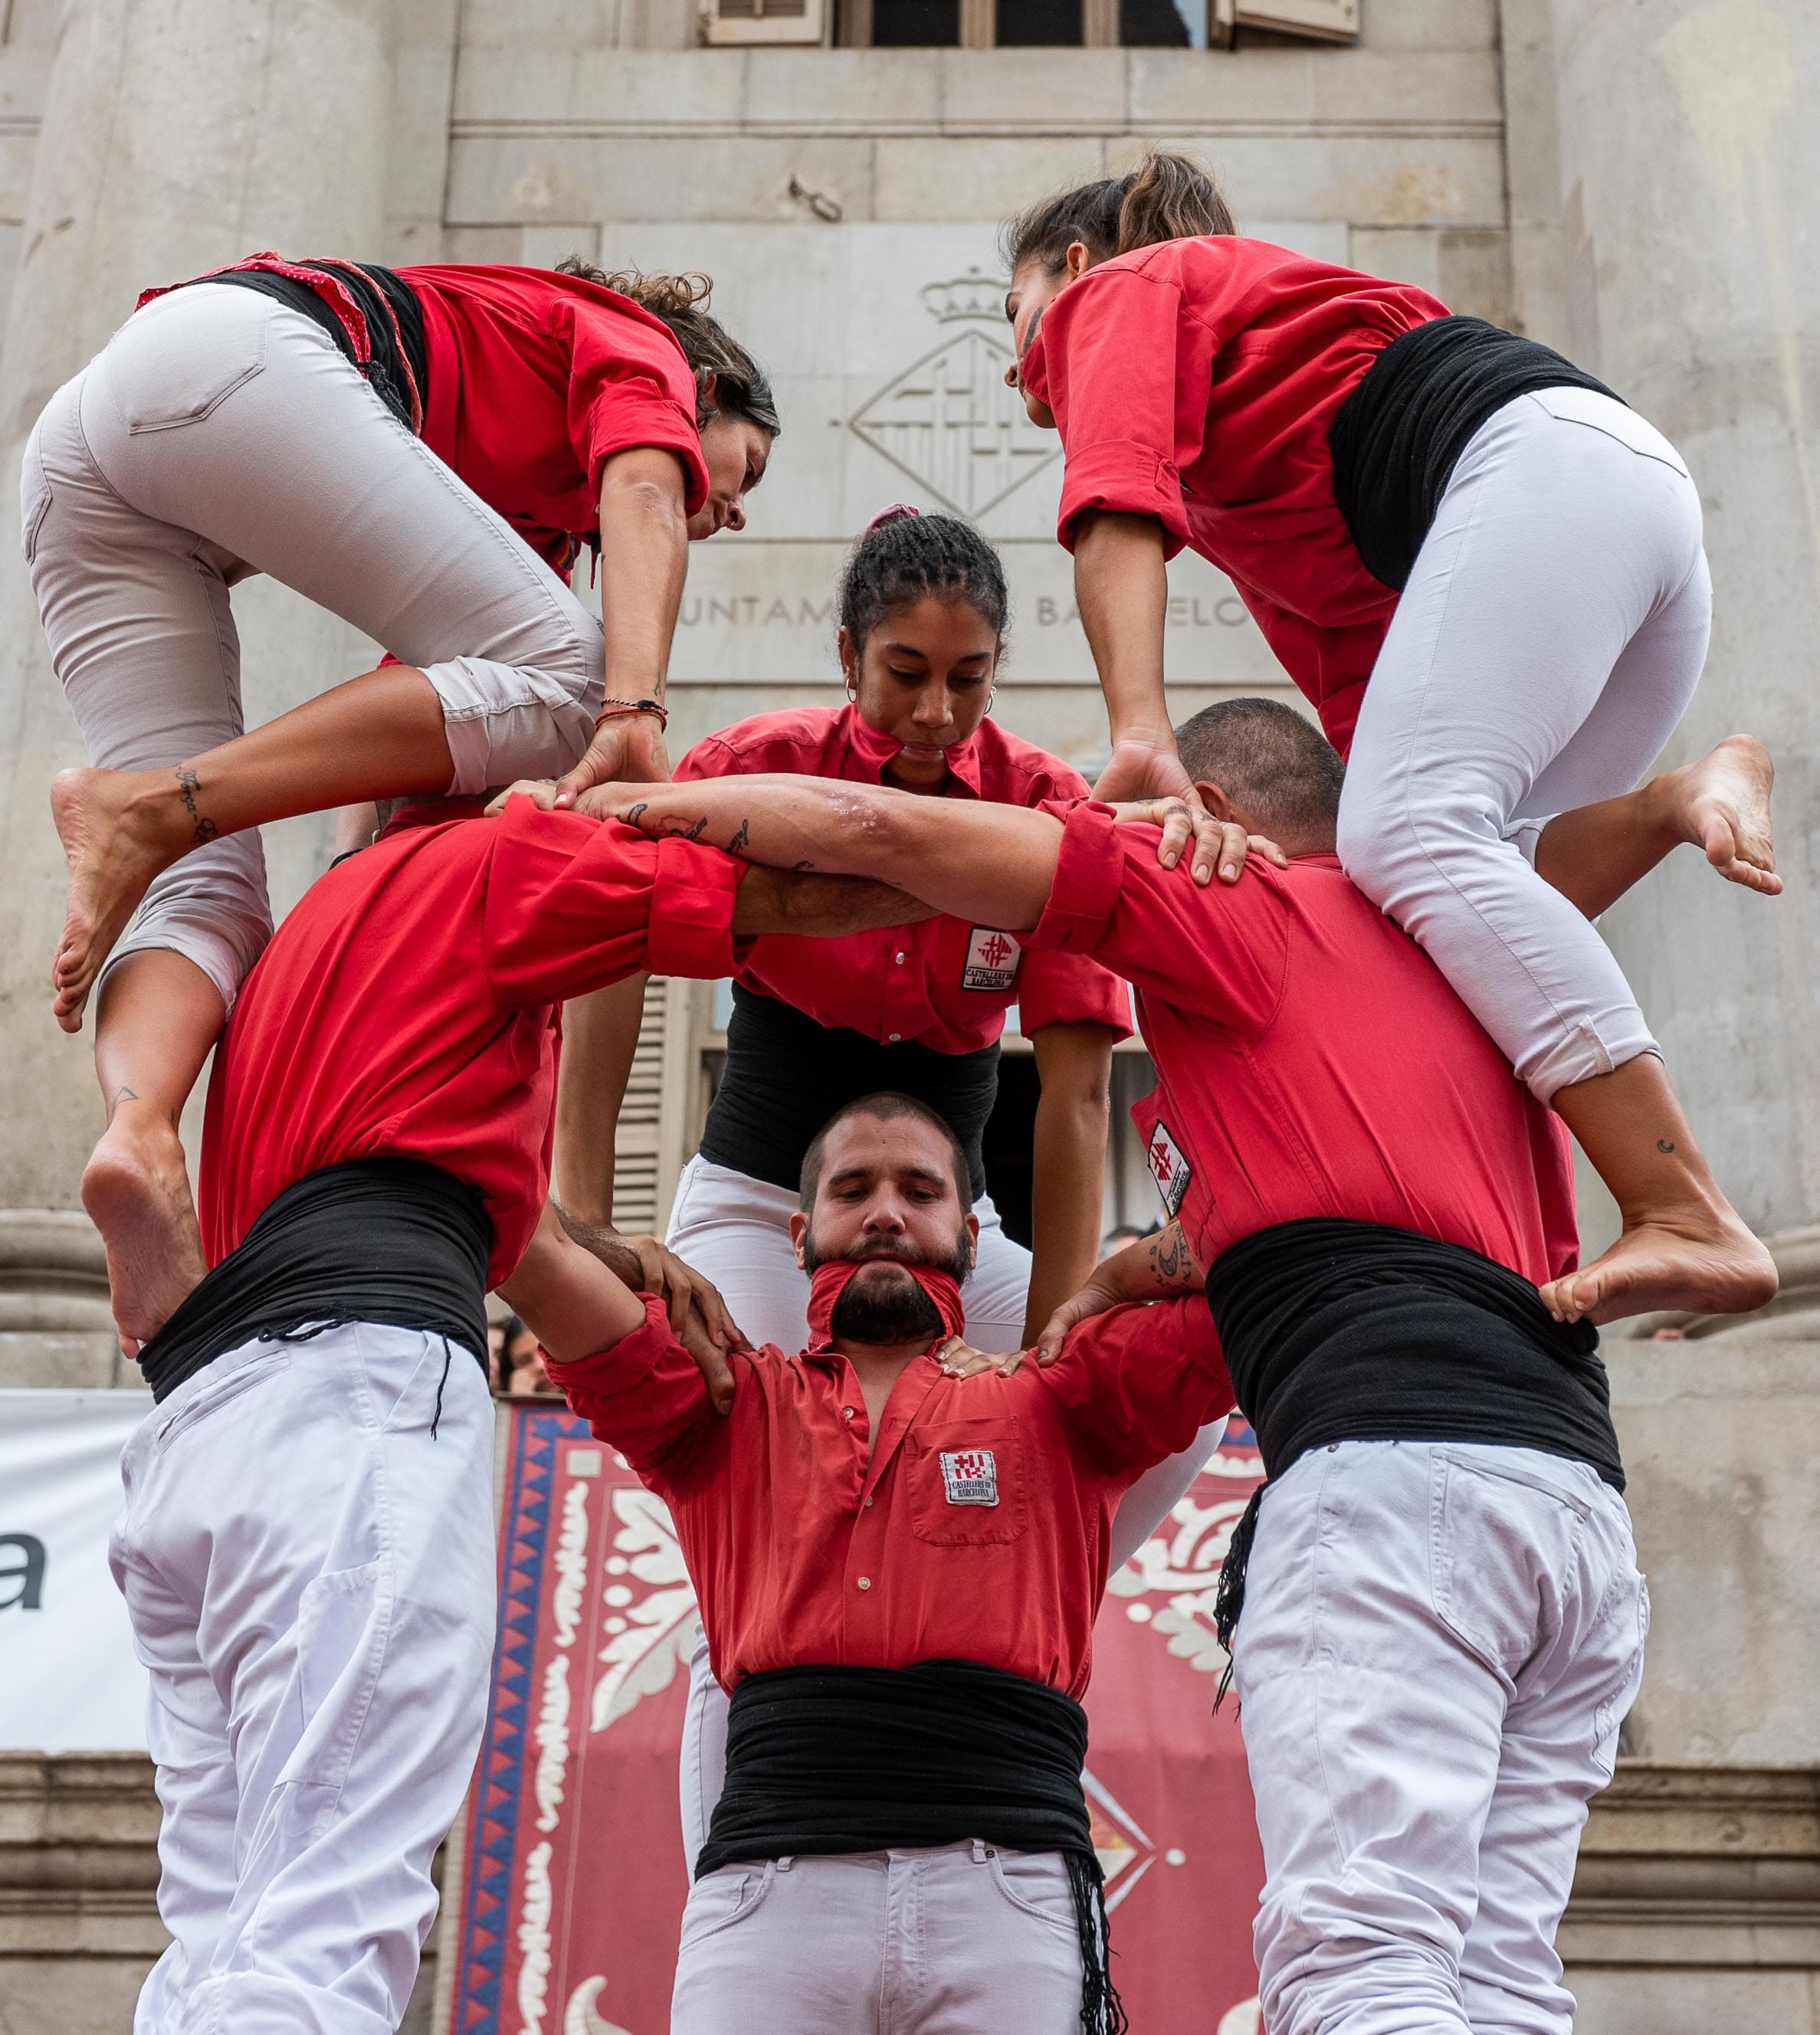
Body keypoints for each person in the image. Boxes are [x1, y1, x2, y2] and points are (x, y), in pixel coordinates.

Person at [565, 702, 1781, 2031]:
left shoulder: (1232, 898)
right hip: (1574, 1512)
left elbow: (879, 825)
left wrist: (605, 821)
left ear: (1213, 815)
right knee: (1494, 1981)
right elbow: (1543, 884)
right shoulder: (1465, 940)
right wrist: (1677, 798)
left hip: (1398, 1472)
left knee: (1363, 1965)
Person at [106, 780, 920, 2035]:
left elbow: (452, 1173)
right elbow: (804, 889)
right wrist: (1025, 879)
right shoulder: (503, 858)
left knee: (222, 1930)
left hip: (207, 1410)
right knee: (320, 1927)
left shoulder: (316, 924)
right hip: (357, 1375)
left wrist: (592, 1237)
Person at [996, 149, 1779, 1322]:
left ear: (1066, 270)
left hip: (1539, 470)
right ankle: (1678, 797)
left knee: (1410, 834)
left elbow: (1113, 501)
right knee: (1433, 870)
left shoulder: (1119, 289)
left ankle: (1684, 1210)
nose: (1020, 373)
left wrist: (1140, 730)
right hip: (1617, 513)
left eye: (1012, 323)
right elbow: (1361, 697)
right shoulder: (1255, 458)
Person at [553, 503, 1212, 1863]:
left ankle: (997, 1573)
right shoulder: (758, 767)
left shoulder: (1043, 806)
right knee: (748, 1545)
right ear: (850, 651)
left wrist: (1043, 1370)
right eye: (904, 673)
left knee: (1177, 1413)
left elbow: (1078, 1087)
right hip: (758, 1196)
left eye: (966, 679)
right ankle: (731, 1886)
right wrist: (587, 1201)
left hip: (947, 1222)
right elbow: (604, 944)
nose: (934, 710)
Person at [31, 254, 776, 1346]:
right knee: (577, 684)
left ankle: (138, 1131)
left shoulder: (515, 554)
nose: (740, 510)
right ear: (700, 392)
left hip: (91, 464)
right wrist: (634, 708)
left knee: (212, 899)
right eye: (744, 466)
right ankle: (155, 807)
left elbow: (423, 753)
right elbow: (646, 484)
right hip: (221, 360)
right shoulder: (637, 344)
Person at [506, 1090, 1234, 2035]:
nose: (886, 1210)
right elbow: (514, 1239)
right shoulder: (720, 1398)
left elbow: (1274, 1246)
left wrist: (1110, 1280)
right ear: (801, 1232)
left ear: (971, 1236)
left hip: (1011, 1898)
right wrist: (616, 1248)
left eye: (918, 1190)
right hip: (767, 1907)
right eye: (855, 1189)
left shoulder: (1068, 1396)